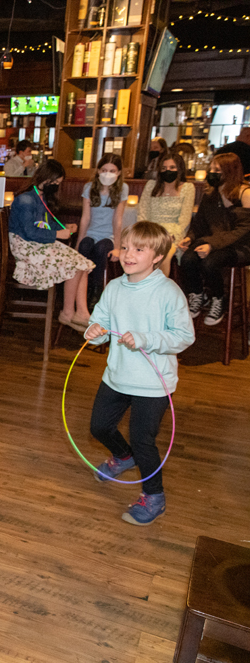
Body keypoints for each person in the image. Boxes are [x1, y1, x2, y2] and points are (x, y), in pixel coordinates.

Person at [84, 221, 195, 525]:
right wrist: (94, 332)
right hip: (117, 376)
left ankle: (154, 497)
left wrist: (146, 339)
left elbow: (184, 336)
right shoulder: (114, 287)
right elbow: (101, 323)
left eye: (139, 250)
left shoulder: (168, 292)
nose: (128, 255)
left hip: (152, 383)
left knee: (143, 440)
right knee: (99, 427)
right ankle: (123, 456)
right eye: (125, 247)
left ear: (157, 256)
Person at [8, 160, 94, 331]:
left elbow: (45, 224)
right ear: (45, 178)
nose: (55, 186)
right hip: (26, 247)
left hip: (37, 244)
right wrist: (57, 234)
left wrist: (64, 227)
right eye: (54, 182)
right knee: (75, 265)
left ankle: (82, 312)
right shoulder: (26, 199)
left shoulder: (40, 198)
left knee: (82, 262)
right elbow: (30, 232)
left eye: (58, 183)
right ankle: (68, 312)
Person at [178, 152, 250, 326]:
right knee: (187, 258)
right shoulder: (210, 194)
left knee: (209, 263)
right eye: (211, 169)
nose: (212, 173)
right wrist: (189, 238)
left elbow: (243, 230)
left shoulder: (245, 193)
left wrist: (211, 245)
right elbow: (199, 224)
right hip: (214, 242)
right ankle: (198, 294)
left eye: (217, 170)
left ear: (230, 171)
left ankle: (219, 298)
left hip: (240, 246)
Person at [77, 153, 128, 305]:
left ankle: (96, 290)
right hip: (91, 232)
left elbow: (117, 220)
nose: (107, 174)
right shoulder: (89, 187)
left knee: (101, 249)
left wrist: (118, 248)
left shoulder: (122, 188)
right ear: (98, 170)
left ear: (119, 173)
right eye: (104, 170)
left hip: (109, 235)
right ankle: (81, 290)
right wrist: (79, 242)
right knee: (84, 246)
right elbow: (85, 218)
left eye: (112, 171)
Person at [137, 149, 195, 275]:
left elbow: (184, 220)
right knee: (141, 254)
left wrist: (172, 235)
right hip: (151, 232)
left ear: (179, 169)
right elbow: (142, 213)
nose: (167, 171)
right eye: (164, 168)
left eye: (172, 167)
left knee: (163, 254)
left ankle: (160, 286)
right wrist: (146, 233)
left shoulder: (188, 188)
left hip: (172, 234)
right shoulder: (151, 186)